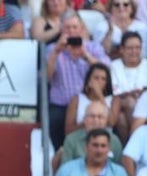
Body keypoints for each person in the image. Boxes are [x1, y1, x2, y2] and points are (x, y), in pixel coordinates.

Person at [46, 14, 109, 149]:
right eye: (67, 27)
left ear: (81, 29)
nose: (71, 31)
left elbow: (107, 70)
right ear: (62, 30)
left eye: (75, 27)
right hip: (61, 104)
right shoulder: (52, 49)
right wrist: (57, 51)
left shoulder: (93, 47)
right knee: (53, 121)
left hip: (88, 102)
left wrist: (86, 56)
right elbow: (47, 76)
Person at [64, 63, 121, 141]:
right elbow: (68, 131)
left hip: (104, 142)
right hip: (80, 140)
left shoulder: (114, 99)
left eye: (103, 79)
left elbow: (111, 122)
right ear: (89, 80)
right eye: (96, 78)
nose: (99, 81)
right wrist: (88, 122)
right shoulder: (76, 99)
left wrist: (100, 96)